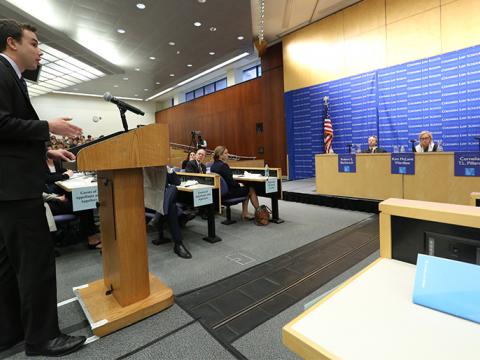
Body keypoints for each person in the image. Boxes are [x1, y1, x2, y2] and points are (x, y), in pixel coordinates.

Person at [0, 19, 86, 356]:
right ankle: (43, 338)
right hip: (17, 189)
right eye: (33, 43)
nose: (39, 50)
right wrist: (47, 126)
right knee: (35, 263)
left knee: (9, 265)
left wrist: (46, 149)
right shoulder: (2, 72)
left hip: (8, 188)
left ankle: (11, 332)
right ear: (12, 43)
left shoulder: (12, 77)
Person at [150, 170, 192, 259]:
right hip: (150, 201)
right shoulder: (145, 169)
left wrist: (170, 170)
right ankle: (178, 244)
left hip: (164, 202)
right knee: (171, 204)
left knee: (173, 189)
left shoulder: (163, 169)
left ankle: (158, 216)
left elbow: (177, 182)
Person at [211, 146, 259, 221]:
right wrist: (238, 184)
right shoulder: (223, 166)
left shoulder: (213, 166)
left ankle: (245, 213)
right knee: (250, 189)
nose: (228, 154)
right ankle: (259, 212)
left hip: (219, 194)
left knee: (245, 189)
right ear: (220, 155)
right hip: (228, 194)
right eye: (226, 153)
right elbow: (231, 183)